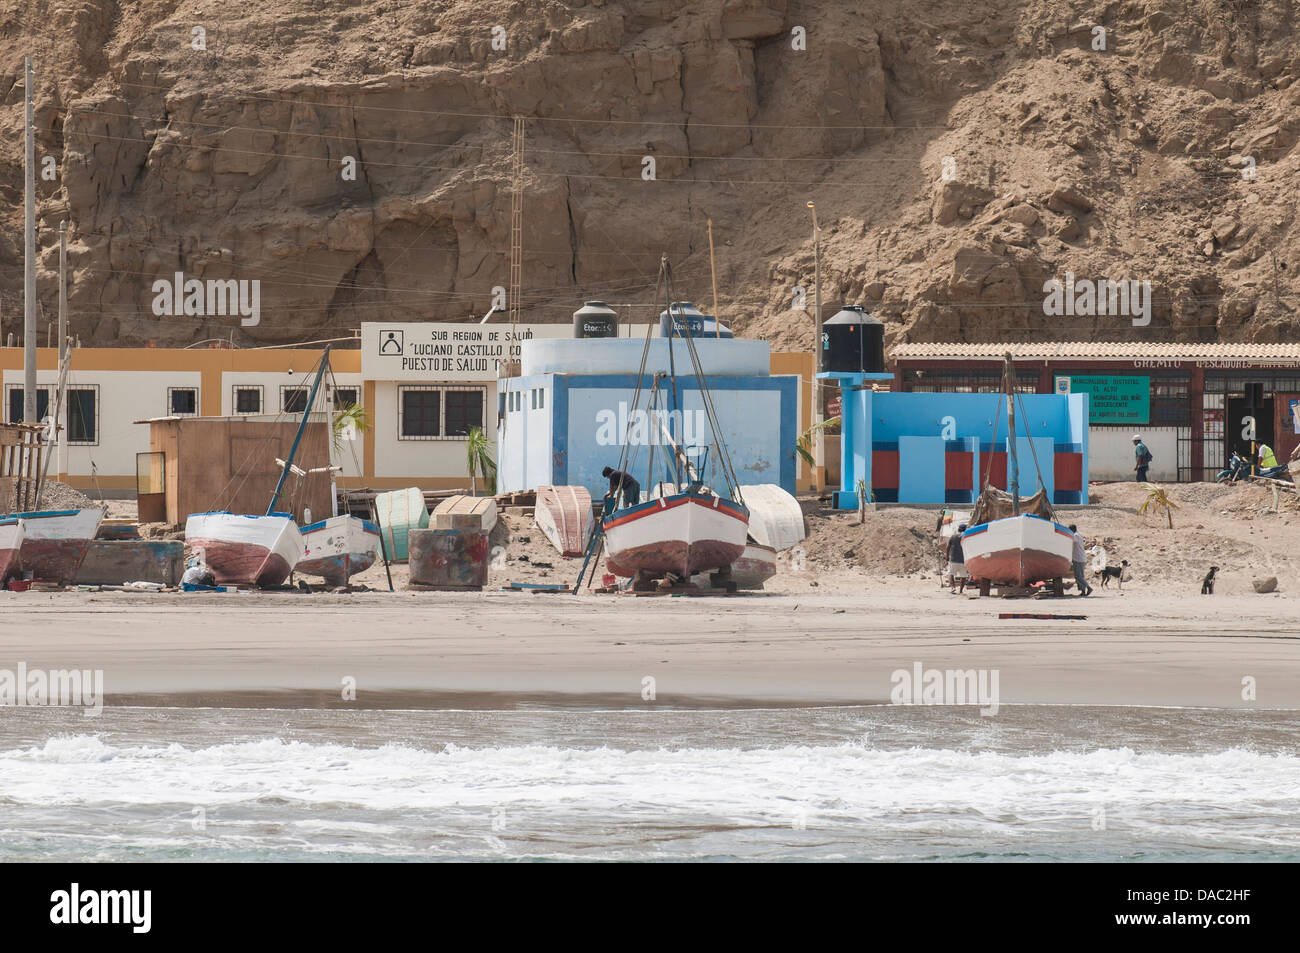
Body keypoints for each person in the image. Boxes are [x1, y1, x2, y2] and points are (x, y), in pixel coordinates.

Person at [1068, 524, 1092, 597]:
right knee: (1081, 576)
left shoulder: (1075, 536)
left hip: (1078, 558)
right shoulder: (1080, 535)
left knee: (1078, 576)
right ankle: (1083, 591)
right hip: (1081, 558)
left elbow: (1070, 541)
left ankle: (1088, 588)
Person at [947, 524, 968, 594]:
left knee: (950, 574)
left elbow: (948, 547)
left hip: (953, 559)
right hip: (963, 560)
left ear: (958, 529)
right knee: (964, 576)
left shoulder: (953, 536)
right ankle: (961, 590)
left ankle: (953, 588)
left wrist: (947, 556)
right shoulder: (966, 537)